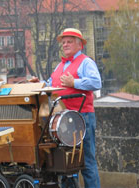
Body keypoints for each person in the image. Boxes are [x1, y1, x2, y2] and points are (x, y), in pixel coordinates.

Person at [30, 28, 101, 188]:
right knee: (67, 163)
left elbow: (96, 82)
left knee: (87, 161)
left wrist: (74, 82)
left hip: (82, 117)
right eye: (64, 42)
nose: (65, 45)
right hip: (62, 121)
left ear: (79, 45)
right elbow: (51, 85)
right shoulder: (60, 66)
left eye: (69, 41)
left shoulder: (86, 62)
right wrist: (39, 84)